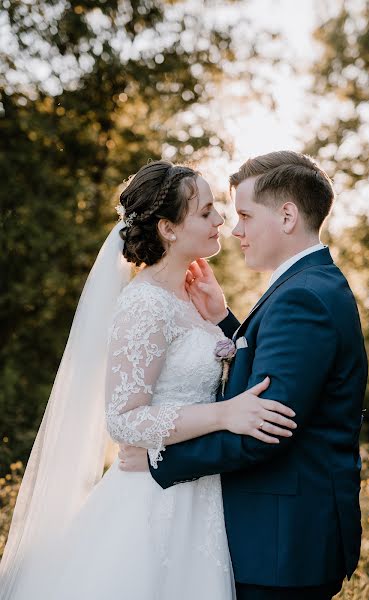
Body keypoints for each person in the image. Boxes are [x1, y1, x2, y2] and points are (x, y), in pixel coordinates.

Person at [0, 160, 297, 600]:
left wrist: (222, 319)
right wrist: (224, 414)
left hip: (202, 493)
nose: (221, 220)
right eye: (206, 211)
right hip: (155, 502)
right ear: (168, 229)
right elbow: (123, 419)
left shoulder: (193, 297)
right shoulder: (144, 305)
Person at [121, 151, 368, 600]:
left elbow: (266, 427)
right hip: (276, 537)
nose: (235, 229)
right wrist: (225, 323)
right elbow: (270, 377)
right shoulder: (309, 285)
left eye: (246, 215)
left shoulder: (304, 297)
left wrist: (161, 461)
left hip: (280, 545)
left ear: (288, 216)